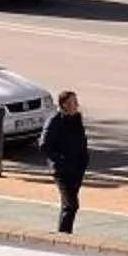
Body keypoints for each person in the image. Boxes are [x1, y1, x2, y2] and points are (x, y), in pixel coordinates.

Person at [44, 92, 88, 235]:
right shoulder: (54, 121)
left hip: (77, 169)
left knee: (68, 205)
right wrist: (60, 160)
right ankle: (63, 235)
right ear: (65, 105)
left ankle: (65, 232)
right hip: (62, 171)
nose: (77, 105)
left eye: (76, 102)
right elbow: (44, 145)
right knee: (71, 205)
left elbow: (81, 140)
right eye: (74, 102)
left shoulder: (76, 118)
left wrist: (84, 159)